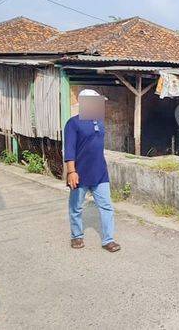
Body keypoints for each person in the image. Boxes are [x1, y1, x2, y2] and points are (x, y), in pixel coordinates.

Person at [64, 89, 120, 252]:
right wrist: (71, 172)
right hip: (79, 173)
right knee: (76, 207)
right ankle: (76, 236)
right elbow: (69, 149)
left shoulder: (100, 122)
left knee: (107, 206)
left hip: (100, 172)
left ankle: (108, 240)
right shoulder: (73, 123)